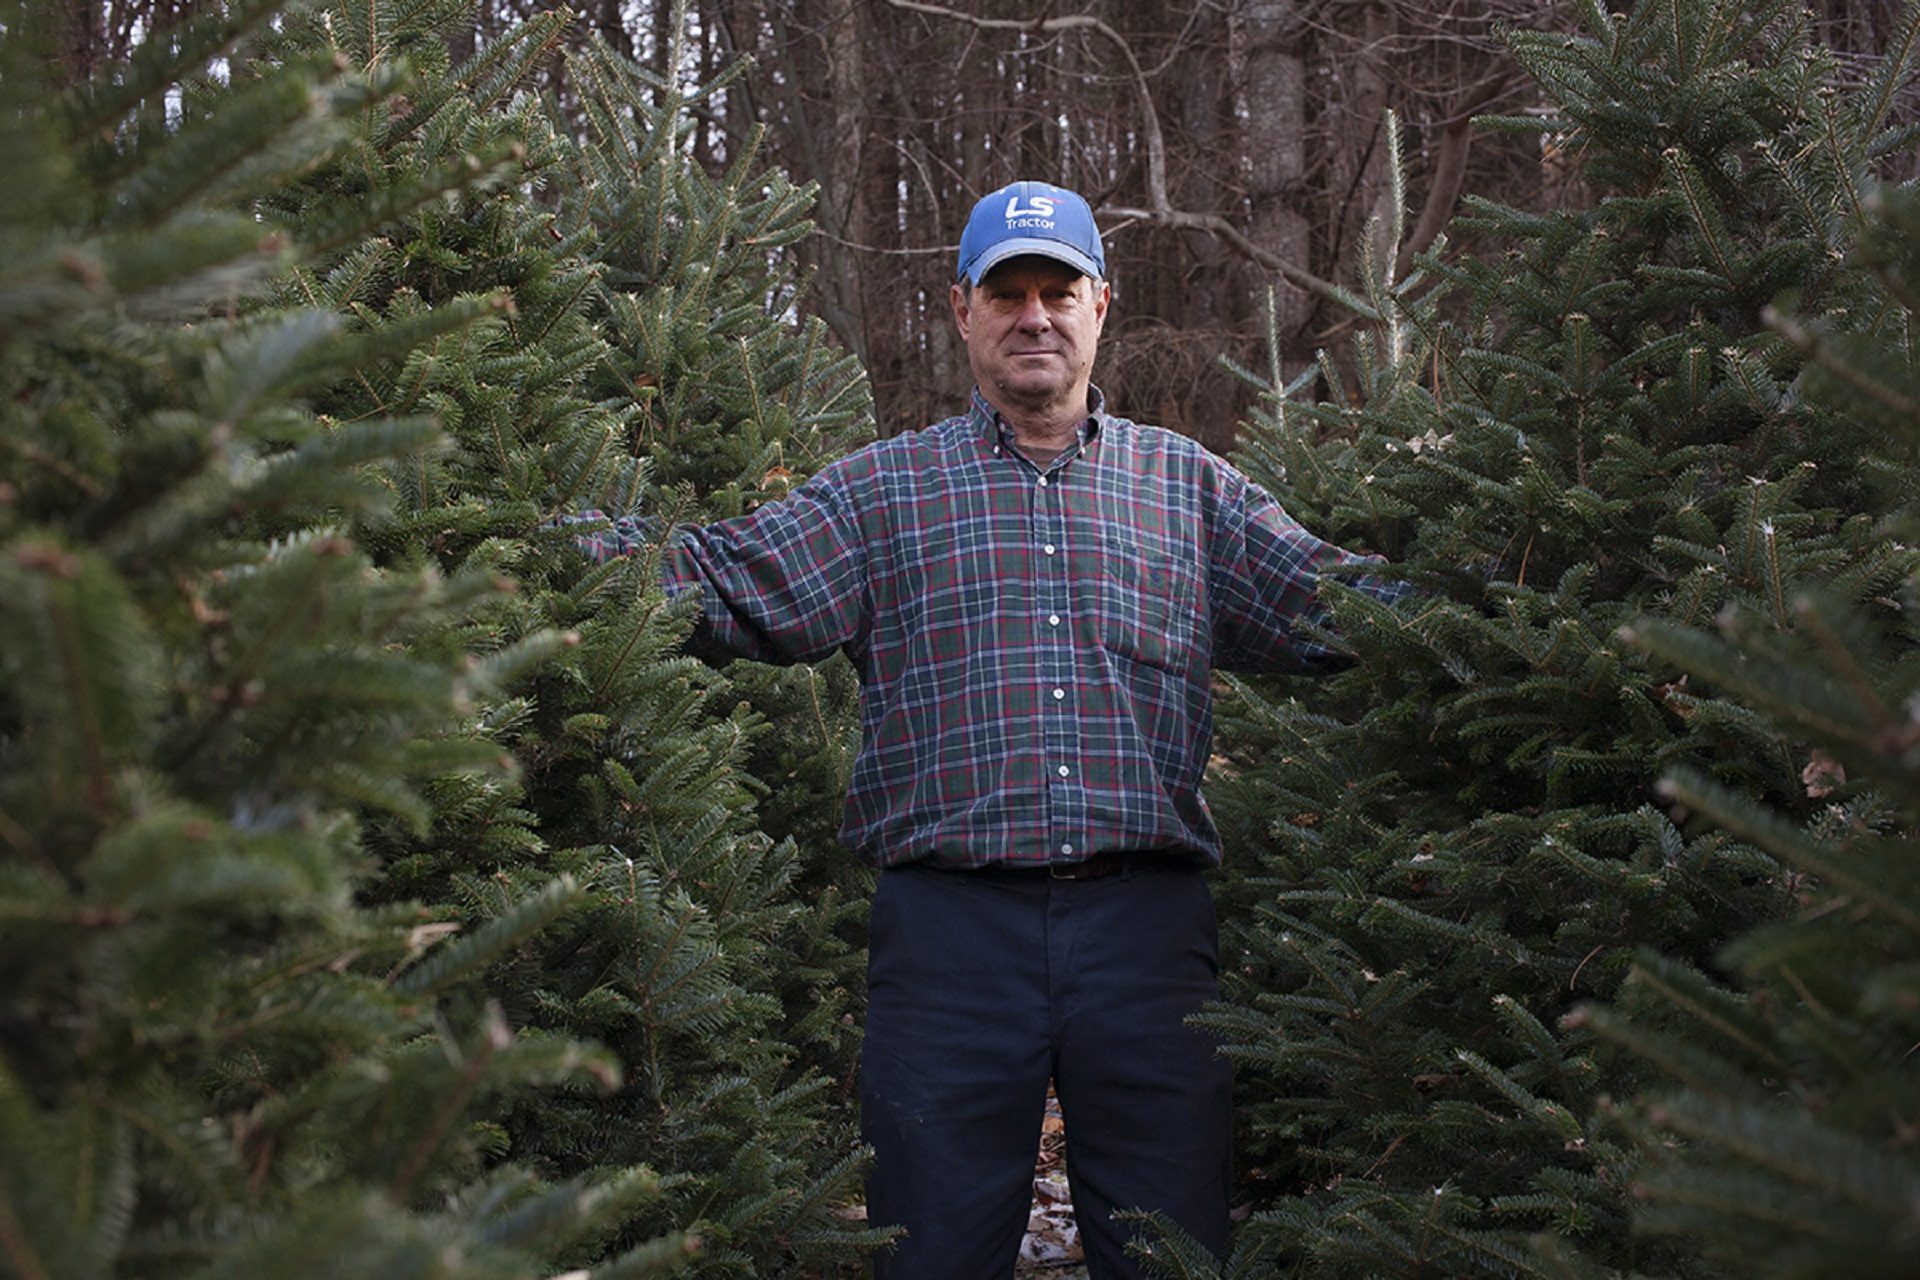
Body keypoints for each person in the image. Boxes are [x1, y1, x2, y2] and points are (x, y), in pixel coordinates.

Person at [574, 179, 1407, 1279]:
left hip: (1149, 938)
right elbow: (727, 582)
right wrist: (547, 538)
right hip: (948, 943)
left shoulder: (1189, 491)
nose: (1035, 315)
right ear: (961, 309)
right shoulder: (886, 494)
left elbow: (1345, 607)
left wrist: (1514, 590)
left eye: (1058, 290)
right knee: (931, 1252)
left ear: (1101, 303)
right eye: (1005, 292)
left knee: (1173, 1250)